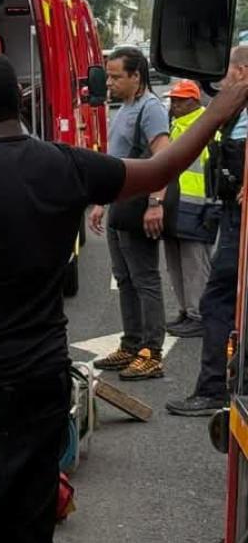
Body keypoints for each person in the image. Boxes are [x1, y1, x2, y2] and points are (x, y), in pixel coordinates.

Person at [0, 49, 248, 541]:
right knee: (29, 520)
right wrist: (218, 110)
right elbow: (160, 169)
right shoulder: (67, 165)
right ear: (19, 100)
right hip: (42, 382)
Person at [168, 46, 248, 417]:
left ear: (242, 71)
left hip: (240, 219)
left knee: (217, 299)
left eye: (228, 71)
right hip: (230, 213)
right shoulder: (236, 110)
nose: (222, 80)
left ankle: (214, 388)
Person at [89, 47, 172, 380]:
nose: (109, 82)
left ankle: (151, 352)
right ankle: (131, 343)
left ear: (136, 76)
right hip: (119, 206)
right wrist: (101, 203)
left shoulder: (150, 109)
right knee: (124, 279)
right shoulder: (124, 107)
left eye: (116, 76)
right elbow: (117, 158)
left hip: (139, 207)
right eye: (108, 76)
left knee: (145, 280)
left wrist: (155, 203)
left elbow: (163, 158)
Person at [162, 80, 214, 339]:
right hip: (175, 204)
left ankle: (199, 315)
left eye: (180, 100)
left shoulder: (205, 126)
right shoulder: (176, 126)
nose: (174, 104)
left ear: (194, 101)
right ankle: (185, 311)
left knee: (195, 264)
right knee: (175, 262)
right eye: (173, 100)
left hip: (197, 207)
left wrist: (211, 208)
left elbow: (212, 172)